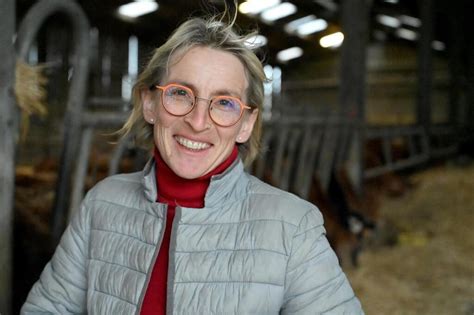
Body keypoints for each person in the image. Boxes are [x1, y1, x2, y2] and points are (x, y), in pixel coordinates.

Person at [21, 12, 364, 315]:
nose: (198, 121)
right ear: (150, 104)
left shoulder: (292, 227)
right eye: (180, 93)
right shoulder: (103, 202)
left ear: (246, 124)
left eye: (224, 103)